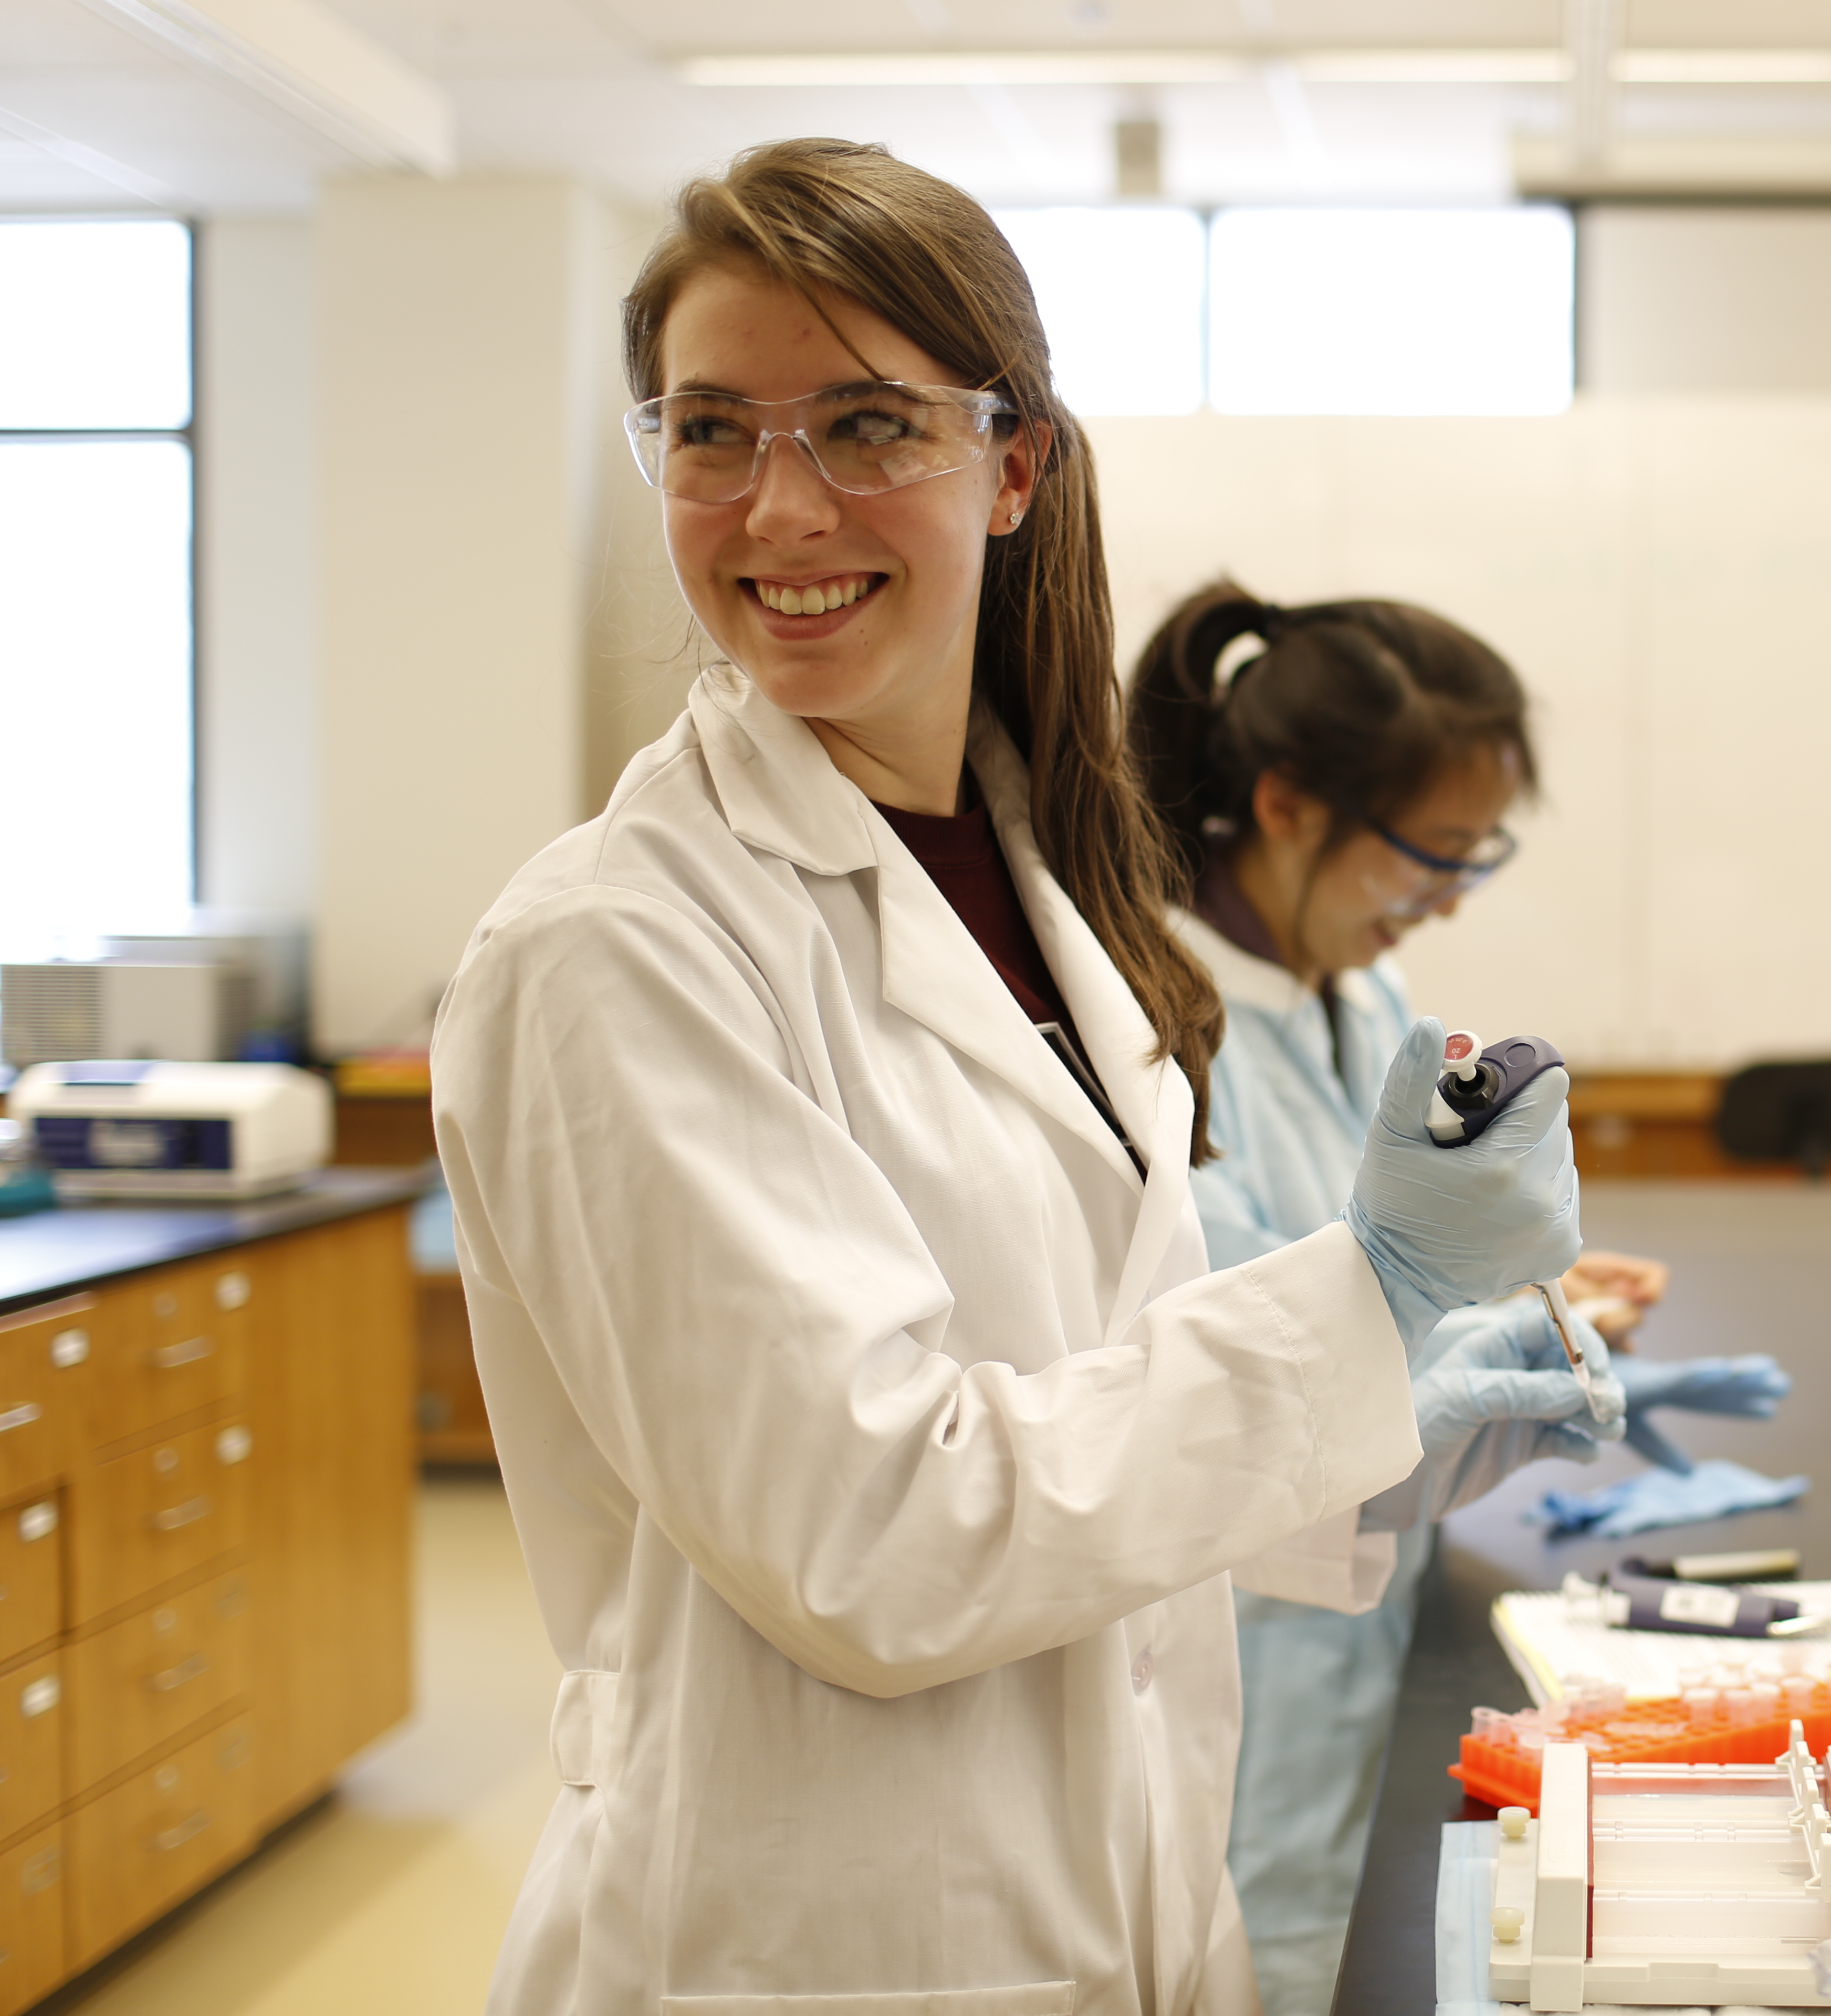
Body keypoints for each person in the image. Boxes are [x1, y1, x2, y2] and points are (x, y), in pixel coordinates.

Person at [429, 139, 1611, 2016]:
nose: (779, 507)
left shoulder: (1042, 877)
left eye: (866, 425)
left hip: (1124, 1898)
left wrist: (1386, 1436)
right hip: (818, 1946)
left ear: (1013, 463)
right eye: (712, 429)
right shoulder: (613, 949)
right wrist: (1360, 1309)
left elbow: (1074, 1423)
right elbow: (880, 1540)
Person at [1128, 582, 1792, 2016]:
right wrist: (1460, 1335)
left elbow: (1374, 1271)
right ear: (1290, 806)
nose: (1449, 895)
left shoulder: (1360, 997)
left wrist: (1533, 1297)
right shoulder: (1160, 1026)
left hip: (1373, 1595)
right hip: (1250, 1641)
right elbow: (1223, 1373)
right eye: (1431, 852)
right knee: (1269, 1949)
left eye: (1477, 855)